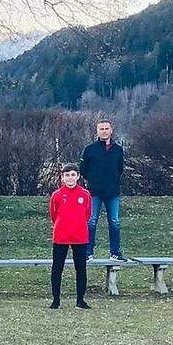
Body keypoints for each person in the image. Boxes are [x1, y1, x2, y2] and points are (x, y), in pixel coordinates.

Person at [79, 118, 126, 261]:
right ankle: (88, 253)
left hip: (113, 192)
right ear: (97, 131)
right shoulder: (89, 149)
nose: (104, 131)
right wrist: (93, 181)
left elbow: (120, 169)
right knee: (91, 221)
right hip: (94, 192)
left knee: (115, 222)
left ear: (111, 130)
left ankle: (115, 253)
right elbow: (83, 170)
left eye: (106, 128)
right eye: (101, 129)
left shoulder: (118, 150)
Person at [49, 164, 93, 310]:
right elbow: (53, 215)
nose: (70, 178)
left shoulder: (85, 194)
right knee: (57, 268)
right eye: (67, 175)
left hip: (80, 236)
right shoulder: (57, 195)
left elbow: (87, 214)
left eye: (73, 175)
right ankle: (56, 300)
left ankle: (80, 300)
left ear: (78, 176)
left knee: (81, 268)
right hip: (61, 236)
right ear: (62, 178)